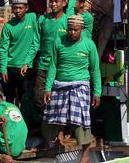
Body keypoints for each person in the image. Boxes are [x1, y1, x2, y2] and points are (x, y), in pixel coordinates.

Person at [42, 15, 101, 163]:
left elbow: (95, 70)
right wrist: (48, 88)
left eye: (75, 30)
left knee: (81, 119)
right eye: (70, 29)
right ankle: (56, 138)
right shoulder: (58, 42)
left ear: (81, 29)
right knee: (52, 116)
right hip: (60, 84)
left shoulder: (89, 45)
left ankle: (86, 152)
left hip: (80, 85)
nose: (72, 32)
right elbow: (53, 66)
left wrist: (97, 93)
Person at [34, 0, 73, 113]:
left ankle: (59, 129)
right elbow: (35, 42)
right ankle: (46, 124)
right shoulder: (42, 19)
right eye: (51, 2)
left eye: (57, 1)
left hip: (60, 67)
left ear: (64, 3)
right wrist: (27, 62)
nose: (53, 4)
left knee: (60, 99)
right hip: (44, 66)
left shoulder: (68, 21)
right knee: (39, 98)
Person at [0, 0, 39, 104]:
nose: (17, 11)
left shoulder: (33, 18)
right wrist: (3, 69)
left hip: (26, 67)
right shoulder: (8, 26)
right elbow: (3, 49)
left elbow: (35, 43)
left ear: (26, 8)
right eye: (15, 8)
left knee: (25, 97)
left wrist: (27, 62)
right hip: (11, 67)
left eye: (20, 8)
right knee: (9, 98)